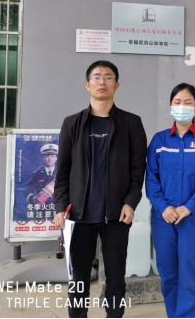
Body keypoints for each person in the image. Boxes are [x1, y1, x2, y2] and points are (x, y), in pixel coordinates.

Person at [54, 60, 147, 318]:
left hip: (116, 215)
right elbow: (62, 171)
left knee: (116, 277)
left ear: (117, 85)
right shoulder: (72, 124)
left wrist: (130, 201)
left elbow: (138, 169)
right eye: (96, 77)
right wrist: (60, 206)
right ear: (87, 84)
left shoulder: (131, 123)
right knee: (79, 279)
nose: (102, 81)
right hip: (78, 215)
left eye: (108, 77)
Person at [146, 83, 195, 318]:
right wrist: (163, 207)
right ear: (170, 105)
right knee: (168, 273)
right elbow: (151, 179)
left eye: (188, 102)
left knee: (189, 274)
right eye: (177, 102)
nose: (182, 106)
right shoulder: (159, 140)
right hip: (163, 218)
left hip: (192, 218)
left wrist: (189, 207)